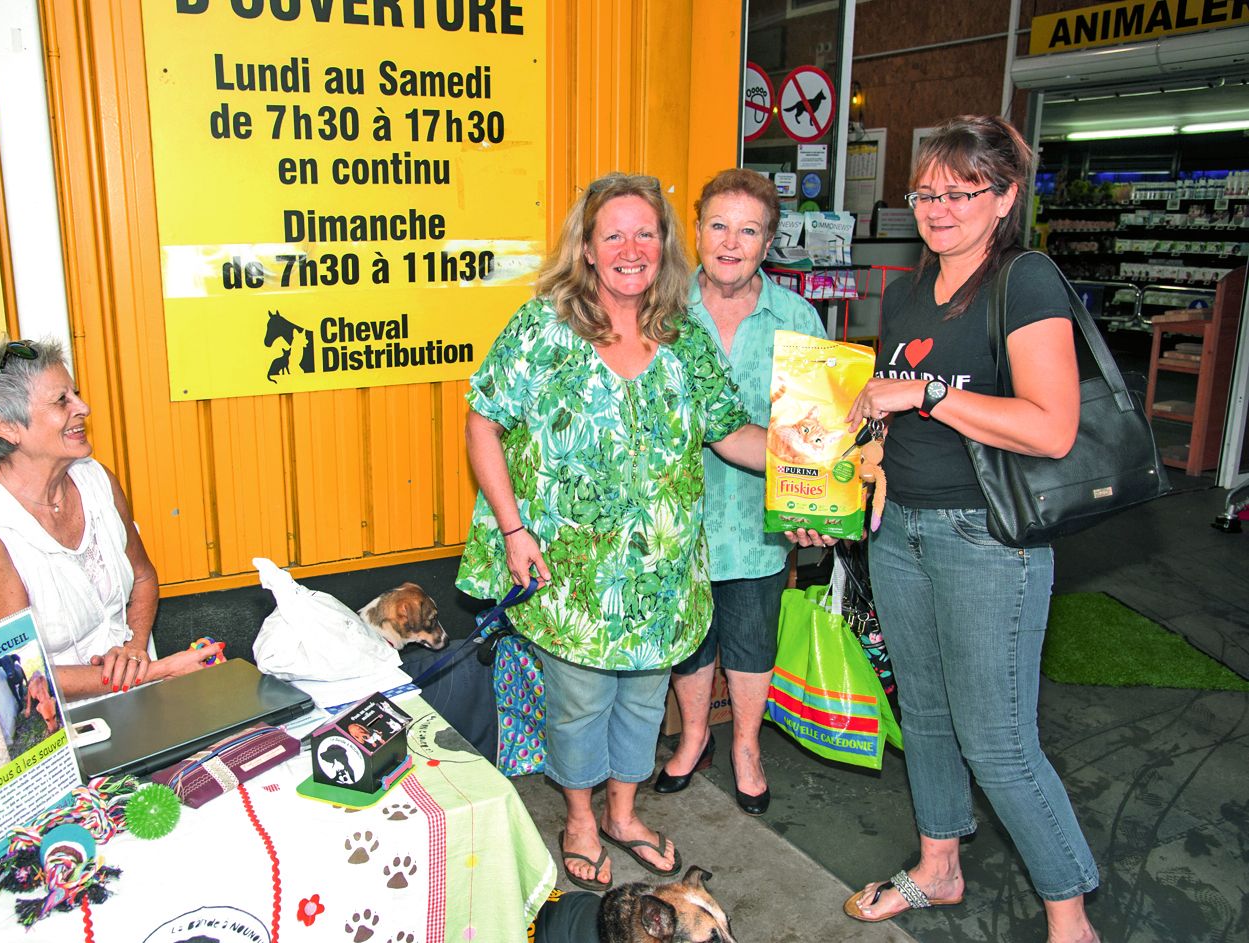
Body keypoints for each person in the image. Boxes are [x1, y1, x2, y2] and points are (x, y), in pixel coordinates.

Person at [827, 116, 1099, 942]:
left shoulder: (1025, 281)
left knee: (999, 742)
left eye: (959, 192)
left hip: (987, 538)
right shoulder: (907, 289)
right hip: (899, 526)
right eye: (924, 192)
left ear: (1004, 196)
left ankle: (1069, 919)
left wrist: (927, 394)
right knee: (929, 716)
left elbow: (1051, 427)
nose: (936, 208)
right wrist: (866, 463)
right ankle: (936, 865)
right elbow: (879, 407)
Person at [455, 172, 768, 891]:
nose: (631, 247)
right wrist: (512, 529)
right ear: (588, 249)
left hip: (661, 572)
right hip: (569, 571)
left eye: (645, 232)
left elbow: (730, 435)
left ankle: (624, 813)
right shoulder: (543, 327)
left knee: (639, 700)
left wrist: (812, 463)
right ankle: (580, 818)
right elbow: (481, 422)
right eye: (613, 234)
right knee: (580, 704)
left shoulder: (683, 336)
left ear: (664, 245)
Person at [653, 168, 825, 815]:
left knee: (751, 638)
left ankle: (745, 745)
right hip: (676, 517)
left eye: (747, 230)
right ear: (695, 232)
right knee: (690, 639)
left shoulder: (796, 317)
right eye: (718, 225)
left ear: (768, 241)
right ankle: (694, 734)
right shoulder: (661, 311)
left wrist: (814, 505)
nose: (730, 241)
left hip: (756, 518)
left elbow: (814, 427)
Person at [0, 338, 222, 702]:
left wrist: (135, 649)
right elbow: (21, 678)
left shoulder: (96, 480)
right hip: (46, 733)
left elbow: (141, 576)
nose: (84, 408)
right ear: (6, 427)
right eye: (62, 401)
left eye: (75, 394)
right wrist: (158, 670)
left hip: (130, 701)